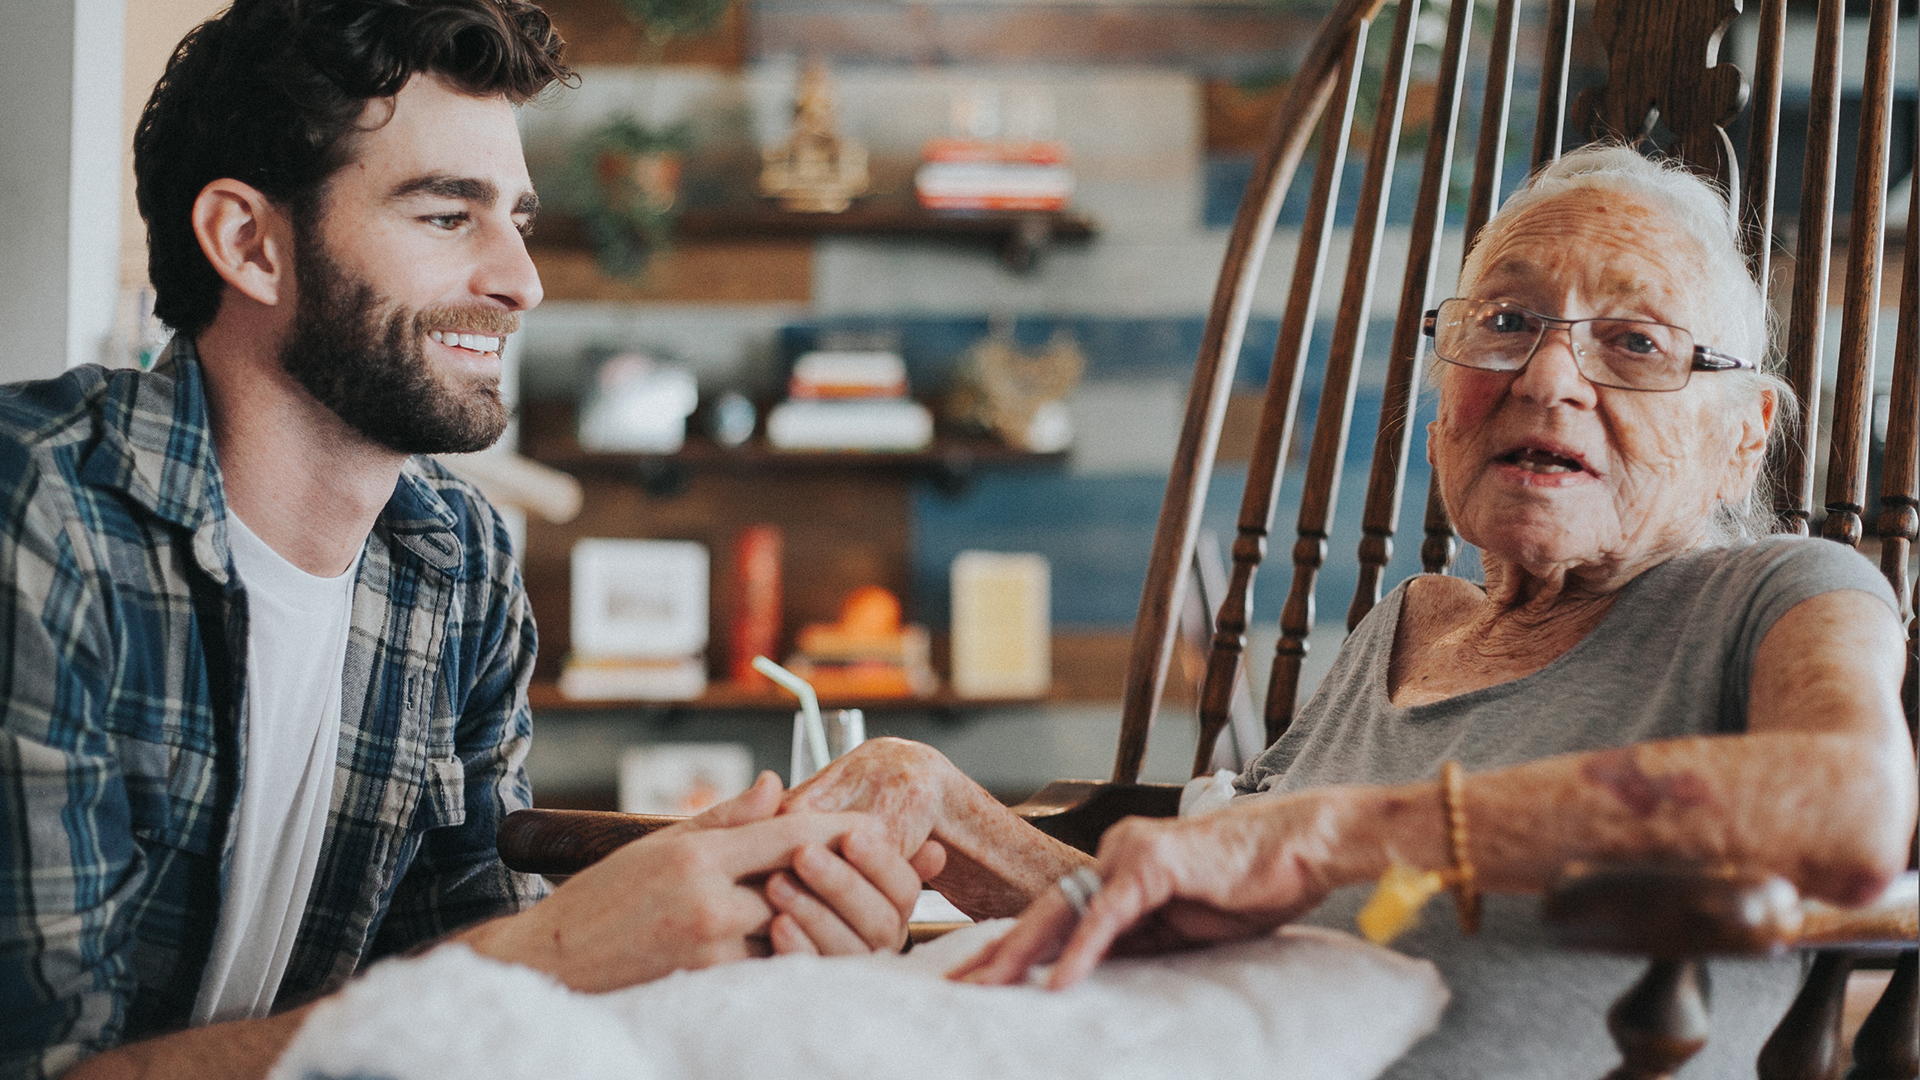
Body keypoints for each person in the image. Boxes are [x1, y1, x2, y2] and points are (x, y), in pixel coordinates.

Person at [784, 145, 1917, 1077]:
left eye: (1635, 343)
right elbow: (1209, 907)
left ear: (1744, 436)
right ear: (1441, 411)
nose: (1548, 379)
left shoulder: (1777, 592)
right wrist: (938, 804)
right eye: (1508, 321)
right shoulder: (1406, 629)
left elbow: (1858, 807)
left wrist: (1334, 829)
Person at [0, 3, 940, 1078]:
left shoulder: (460, 567)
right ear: (249, 244)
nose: (521, 282)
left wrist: (721, 919)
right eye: (449, 217)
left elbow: (462, 1006)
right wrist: (562, 950)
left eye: (518, 219)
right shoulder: (38, 519)